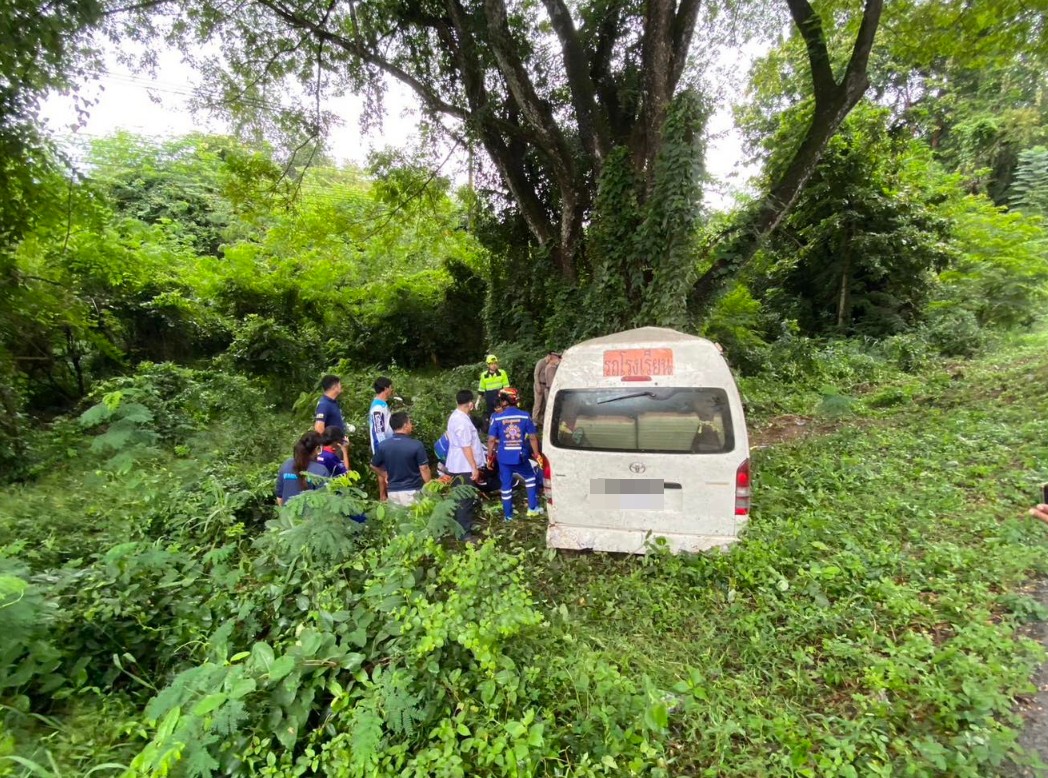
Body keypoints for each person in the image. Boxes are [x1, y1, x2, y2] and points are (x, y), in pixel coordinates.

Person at [487, 387, 542, 521]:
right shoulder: (524, 415)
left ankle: (508, 516)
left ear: (504, 401)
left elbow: (491, 440)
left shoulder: (497, 418)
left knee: (505, 486)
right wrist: (537, 455)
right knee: (530, 477)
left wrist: (490, 457)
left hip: (503, 457)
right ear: (515, 400)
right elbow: (533, 437)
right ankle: (532, 509)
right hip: (520, 456)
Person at [370, 412, 431, 507]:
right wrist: (430, 488)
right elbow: (424, 468)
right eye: (410, 423)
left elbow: (373, 465)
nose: (411, 425)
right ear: (405, 425)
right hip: (412, 491)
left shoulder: (383, 446)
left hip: (392, 492)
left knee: (398, 516)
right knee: (413, 516)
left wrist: (384, 474)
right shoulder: (416, 445)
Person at [445, 389, 484, 537]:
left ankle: (460, 527)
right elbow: (466, 446)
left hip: (457, 464)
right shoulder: (462, 421)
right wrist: (474, 467)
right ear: (470, 404)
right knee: (465, 499)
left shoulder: (456, 416)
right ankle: (464, 534)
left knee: (460, 498)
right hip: (464, 466)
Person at [275, 431, 329, 506]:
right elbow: (324, 501)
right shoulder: (321, 470)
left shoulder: (286, 465)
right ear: (317, 448)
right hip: (311, 513)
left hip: (287, 512)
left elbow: (279, 497)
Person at [369, 377, 394, 500]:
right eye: (391, 387)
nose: (392, 390)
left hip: (386, 444)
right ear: (385, 388)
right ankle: (385, 498)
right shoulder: (377, 408)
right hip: (382, 445)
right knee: (385, 472)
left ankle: (384, 499)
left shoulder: (382, 404)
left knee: (383, 472)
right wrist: (384, 448)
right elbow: (379, 431)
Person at [477, 354, 510, 429]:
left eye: (495, 363)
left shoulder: (502, 373)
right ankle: (493, 429)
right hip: (489, 396)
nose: (494, 365)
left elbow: (506, 386)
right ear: (488, 365)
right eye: (491, 364)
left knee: (502, 412)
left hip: (500, 395)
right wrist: (478, 400)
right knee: (491, 414)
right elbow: (481, 389)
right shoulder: (484, 375)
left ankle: (504, 428)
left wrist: (506, 398)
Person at [532, 350, 561, 431]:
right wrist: (537, 385)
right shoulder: (541, 362)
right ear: (548, 356)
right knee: (538, 404)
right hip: (539, 384)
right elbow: (536, 374)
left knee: (544, 404)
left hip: (546, 385)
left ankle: (541, 421)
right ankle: (534, 422)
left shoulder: (551, 364)